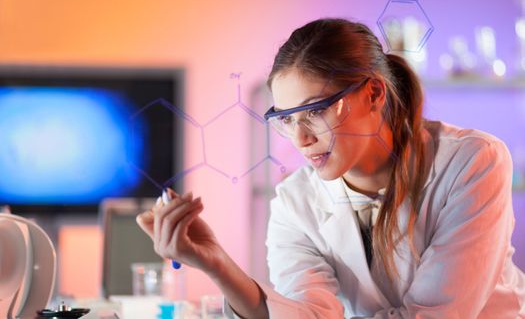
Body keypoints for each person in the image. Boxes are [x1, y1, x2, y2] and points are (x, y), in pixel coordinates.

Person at [137, 18, 525, 318]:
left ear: (373, 93)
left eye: (316, 111)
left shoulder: (472, 162)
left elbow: (438, 314)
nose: (300, 138)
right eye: (286, 119)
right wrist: (216, 262)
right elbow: (307, 313)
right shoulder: (294, 202)